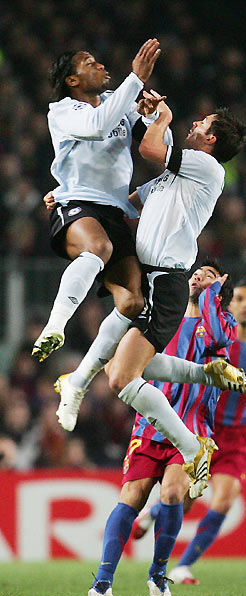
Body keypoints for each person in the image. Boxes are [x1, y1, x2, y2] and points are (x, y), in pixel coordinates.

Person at [55, 97, 246, 493]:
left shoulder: (206, 166)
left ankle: (193, 448)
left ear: (210, 138)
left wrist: (160, 117)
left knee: (122, 377)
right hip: (148, 277)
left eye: (203, 122)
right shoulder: (171, 179)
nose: (195, 123)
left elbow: (149, 148)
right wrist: (68, 199)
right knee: (117, 358)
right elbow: (126, 206)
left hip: (167, 282)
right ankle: (80, 381)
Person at [87, 259, 238, 596]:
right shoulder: (159, 320)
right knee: (132, 497)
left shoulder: (222, 324)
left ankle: (158, 575)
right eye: (198, 271)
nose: (200, 274)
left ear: (219, 290)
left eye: (211, 275)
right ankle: (103, 580)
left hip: (193, 430)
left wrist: (212, 294)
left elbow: (216, 338)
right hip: (150, 428)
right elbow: (120, 359)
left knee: (172, 495)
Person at [135, 282, 246, 585]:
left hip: (238, 436)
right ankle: (155, 510)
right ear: (229, 305)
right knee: (183, 501)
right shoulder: (218, 337)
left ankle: (183, 567)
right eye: (238, 298)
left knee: (224, 500)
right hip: (202, 428)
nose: (243, 304)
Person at [32, 39, 166, 364]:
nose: (101, 65)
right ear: (72, 80)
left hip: (115, 212)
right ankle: (55, 325)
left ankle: (85, 372)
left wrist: (150, 118)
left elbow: (151, 141)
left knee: (134, 301)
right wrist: (134, 79)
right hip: (76, 204)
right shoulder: (63, 111)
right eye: (89, 62)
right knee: (98, 248)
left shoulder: (115, 104)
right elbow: (96, 126)